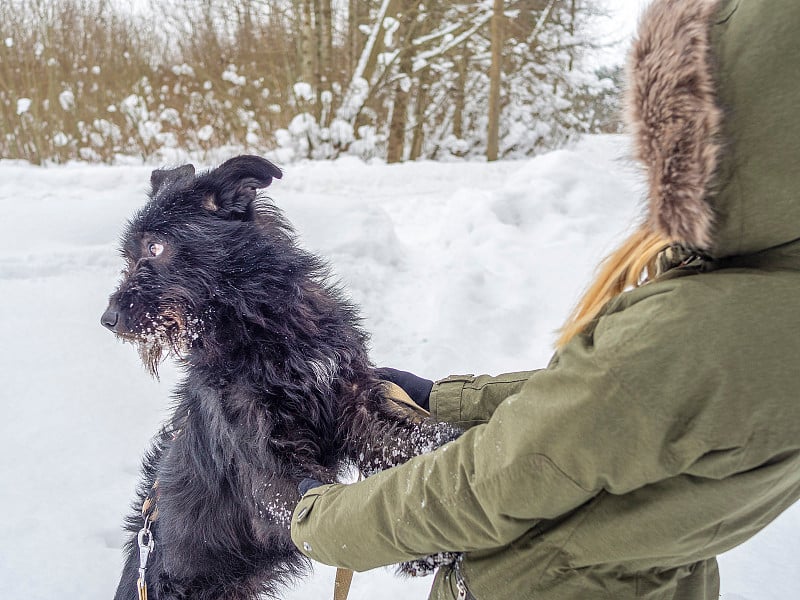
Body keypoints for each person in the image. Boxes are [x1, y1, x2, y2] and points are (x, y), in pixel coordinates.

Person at [290, 0, 800, 597]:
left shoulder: (699, 329)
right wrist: (449, 399)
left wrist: (320, 521)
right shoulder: (766, 300)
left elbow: (492, 483)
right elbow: (606, 407)